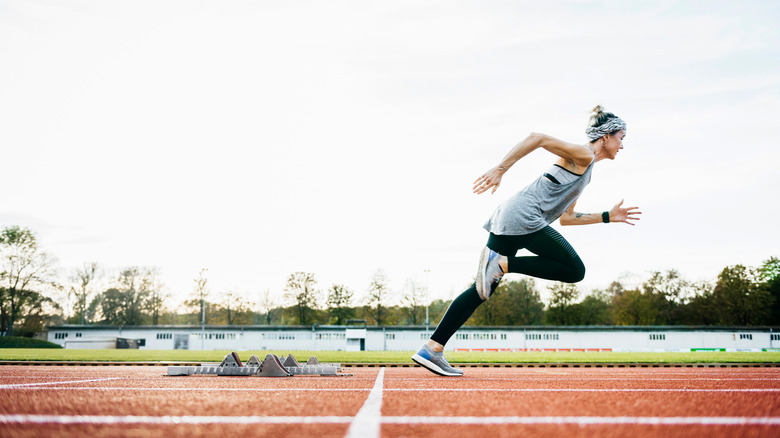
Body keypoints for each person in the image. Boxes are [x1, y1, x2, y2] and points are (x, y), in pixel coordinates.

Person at [412, 105, 642, 376]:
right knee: (574, 269)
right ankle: (505, 264)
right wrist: (500, 169)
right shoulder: (584, 154)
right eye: (621, 138)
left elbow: (567, 218)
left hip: (514, 217)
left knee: (480, 290)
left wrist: (606, 216)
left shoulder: (587, 169)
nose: (622, 145)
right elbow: (537, 138)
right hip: (524, 217)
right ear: (605, 137)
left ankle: (432, 348)